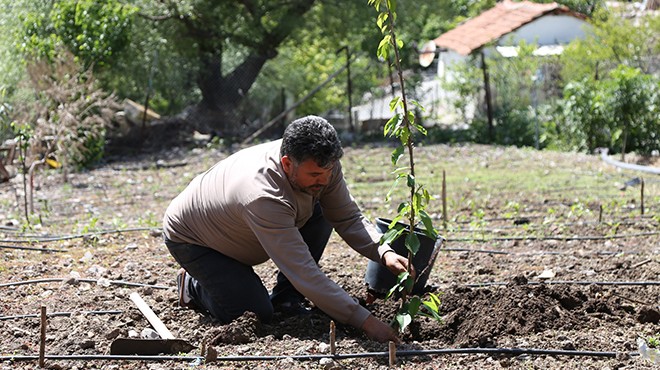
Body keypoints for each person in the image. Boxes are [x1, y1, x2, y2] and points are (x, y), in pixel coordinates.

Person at [163, 115, 410, 343]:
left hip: (241, 229)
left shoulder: (322, 164)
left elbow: (347, 216)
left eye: (328, 172)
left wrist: (384, 252)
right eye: (314, 174)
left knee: (321, 207)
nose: (323, 180)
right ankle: (193, 286)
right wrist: (365, 322)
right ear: (287, 164)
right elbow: (302, 270)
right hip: (197, 241)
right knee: (254, 313)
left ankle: (286, 299)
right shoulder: (263, 196)